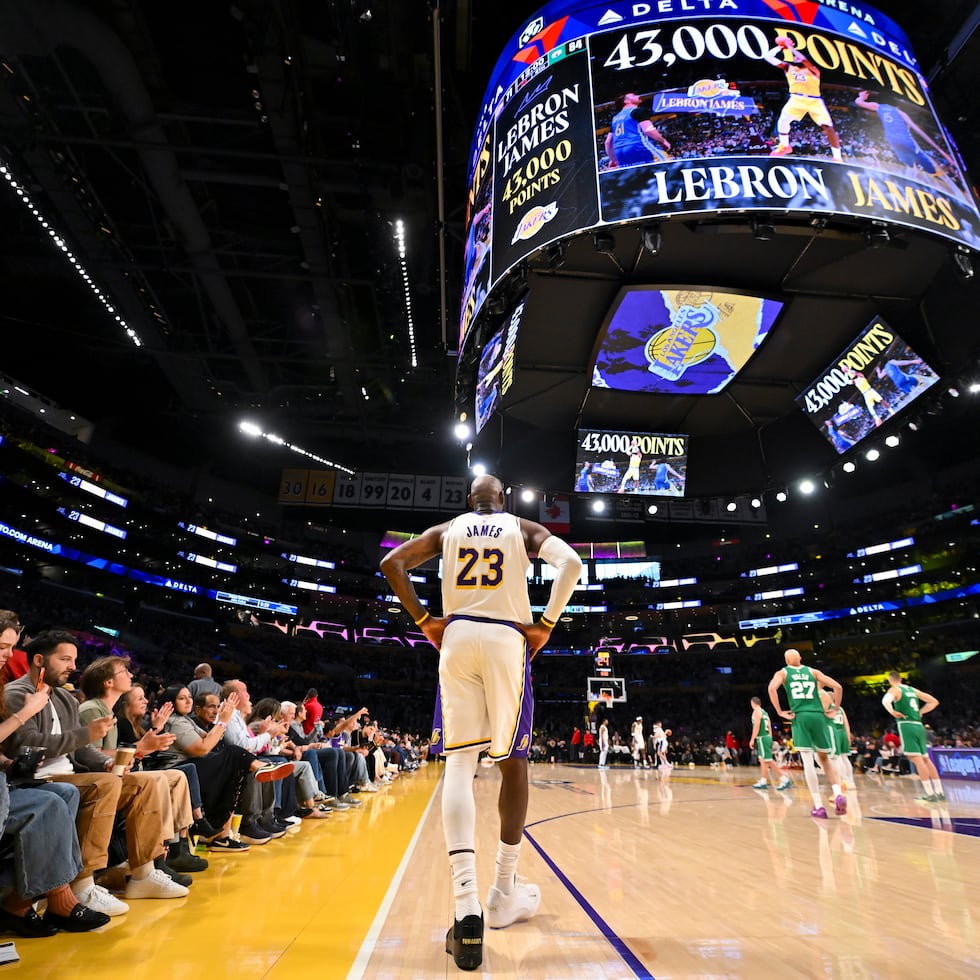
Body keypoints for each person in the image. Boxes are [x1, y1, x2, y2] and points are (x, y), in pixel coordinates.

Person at [380, 473, 582, 971]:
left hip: (457, 638)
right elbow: (572, 564)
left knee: (458, 766)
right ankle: (502, 892)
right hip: (505, 640)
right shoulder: (522, 528)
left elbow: (391, 563)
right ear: (503, 500)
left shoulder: (449, 530)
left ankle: (465, 906)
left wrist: (426, 619)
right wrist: (547, 624)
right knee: (514, 763)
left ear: (469, 502)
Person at [3, 631, 189, 912]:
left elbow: (81, 750)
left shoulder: (64, 699)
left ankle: (144, 872)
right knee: (105, 785)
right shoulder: (18, 694)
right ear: (39, 660)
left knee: (144, 783)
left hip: (71, 774)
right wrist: (86, 735)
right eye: (65, 659)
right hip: (38, 779)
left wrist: (105, 763)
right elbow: (24, 745)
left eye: (74, 660)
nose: (72, 667)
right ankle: (82, 883)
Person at [768, 649, 846, 818]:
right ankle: (838, 793)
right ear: (800, 658)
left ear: (786, 660)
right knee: (825, 759)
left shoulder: (783, 672)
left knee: (808, 761)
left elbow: (772, 688)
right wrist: (836, 708)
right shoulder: (813, 671)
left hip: (801, 717)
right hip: (818, 716)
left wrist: (780, 711)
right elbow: (837, 687)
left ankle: (818, 805)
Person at [853, 90, 958, 190]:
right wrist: (940, 150)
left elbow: (858, 102)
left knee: (910, 165)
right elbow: (917, 130)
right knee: (929, 164)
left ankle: (909, 183)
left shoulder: (878, 106)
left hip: (892, 140)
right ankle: (945, 183)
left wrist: (861, 97)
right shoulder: (900, 113)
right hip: (905, 140)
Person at [764, 37, 842, 161]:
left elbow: (804, 59)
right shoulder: (788, 68)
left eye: (798, 56)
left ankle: (837, 157)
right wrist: (780, 46)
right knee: (783, 121)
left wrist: (790, 47)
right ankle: (785, 145)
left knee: (828, 128)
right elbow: (768, 57)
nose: (796, 57)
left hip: (814, 101)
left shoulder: (814, 70)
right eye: (795, 56)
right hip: (796, 99)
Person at [881, 672, 944, 802]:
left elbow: (885, 701)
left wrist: (892, 711)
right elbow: (934, 702)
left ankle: (930, 793)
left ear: (890, 680)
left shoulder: (895, 689)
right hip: (919, 725)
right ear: (901, 679)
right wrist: (920, 712)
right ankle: (939, 792)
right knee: (926, 759)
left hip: (907, 725)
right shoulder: (911, 689)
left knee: (917, 759)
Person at [604, 92, 671, 167]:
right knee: (666, 164)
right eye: (634, 95)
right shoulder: (637, 111)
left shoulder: (615, 119)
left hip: (620, 152)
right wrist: (664, 141)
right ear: (626, 101)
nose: (638, 96)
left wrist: (613, 159)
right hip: (637, 146)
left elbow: (608, 142)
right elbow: (648, 130)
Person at [749, 696, 792, 791]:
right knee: (762, 760)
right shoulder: (765, 713)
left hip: (762, 737)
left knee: (768, 760)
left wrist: (752, 739)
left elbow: (756, 727)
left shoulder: (756, 712)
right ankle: (763, 781)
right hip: (767, 737)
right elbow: (769, 727)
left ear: (753, 703)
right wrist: (771, 739)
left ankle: (784, 779)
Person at [820, 687, 855, 794]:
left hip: (834, 732)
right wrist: (848, 735)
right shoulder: (840, 708)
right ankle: (850, 781)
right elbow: (846, 723)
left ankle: (842, 780)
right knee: (845, 758)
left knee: (837, 758)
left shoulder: (826, 709)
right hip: (843, 733)